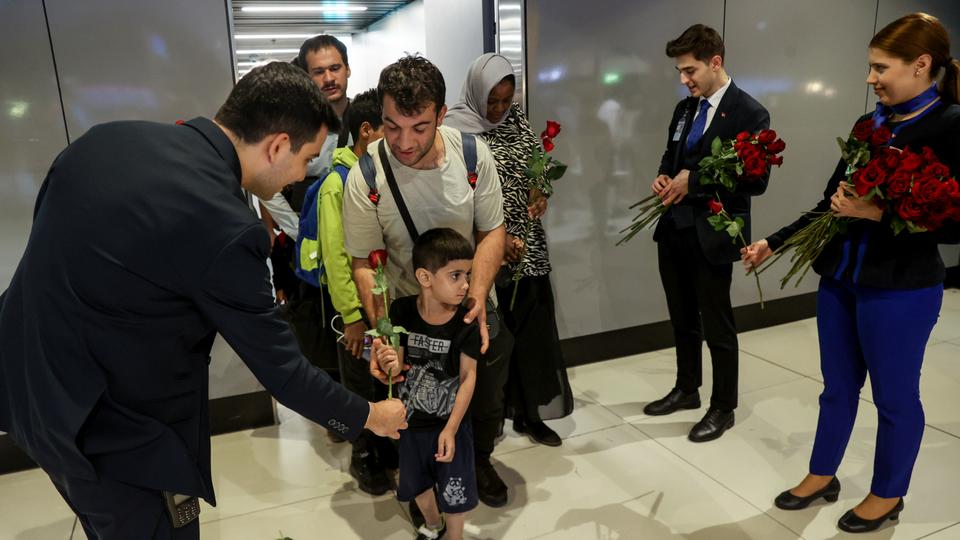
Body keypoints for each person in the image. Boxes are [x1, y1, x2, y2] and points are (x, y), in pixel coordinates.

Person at [0, 61, 407, 540]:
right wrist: (371, 416)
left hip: (25, 386)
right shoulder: (226, 227)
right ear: (277, 145)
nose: (300, 176)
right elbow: (284, 374)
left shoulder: (104, 139)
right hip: (109, 431)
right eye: (306, 158)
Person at [742, 12, 960, 533]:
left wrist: (881, 213)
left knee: (894, 396)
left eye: (880, 67)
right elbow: (832, 202)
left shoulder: (952, 126)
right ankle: (823, 473)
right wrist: (775, 241)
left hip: (901, 289)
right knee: (836, 387)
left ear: (921, 65)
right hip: (841, 279)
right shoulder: (871, 125)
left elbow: (953, 225)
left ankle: (889, 493)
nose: (870, 78)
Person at [342, 55, 514, 508]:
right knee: (418, 402)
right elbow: (364, 261)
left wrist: (476, 294)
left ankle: (479, 460)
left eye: (418, 127)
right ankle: (421, 481)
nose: (402, 141)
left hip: (470, 300)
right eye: (391, 126)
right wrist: (384, 335)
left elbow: (492, 230)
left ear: (441, 115)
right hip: (407, 311)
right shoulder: (366, 175)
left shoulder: (473, 156)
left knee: (485, 392)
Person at [643, 24, 771, 443]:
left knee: (717, 323)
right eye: (681, 71)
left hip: (713, 233)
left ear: (715, 62)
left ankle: (723, 406)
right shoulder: (685, 109)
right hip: (674, 228)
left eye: (690, 70)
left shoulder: (751, 114)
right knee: (681, 317)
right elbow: (671, 155)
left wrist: (692, 183)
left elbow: (756, 181)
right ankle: (687, 389)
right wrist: (664, 177)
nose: (684, 79)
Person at [444, 53, 574, 447]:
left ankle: (530, 414)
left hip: (528, 249)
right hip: (485, 250)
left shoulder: (516, 119)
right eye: (492, 101)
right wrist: (498, 243)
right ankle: (490, 417)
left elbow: (536, 166)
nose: (499, 109)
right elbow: (455, 199)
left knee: (532, 334)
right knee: (493, 339)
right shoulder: (455, 131)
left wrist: (540, 196)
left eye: (505, 99)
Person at [373, 228, 480, 540]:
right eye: (456, 275)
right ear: (425, 277)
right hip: (411, 424)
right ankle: (433, 525)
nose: (466, 285)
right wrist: (389, 364)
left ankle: (455, 535)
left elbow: (468, 377)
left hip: (451, 423)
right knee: (417, 484)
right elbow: (397, 368)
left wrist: (451, 428)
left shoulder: (465, 322)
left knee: (455, 486)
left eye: (467, 275)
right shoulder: (402, 311)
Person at [314, 88, 395, 494]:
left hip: (384, 306)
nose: (398, 137)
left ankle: (385, 446)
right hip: (357, 315)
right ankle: (363, 455)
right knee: (359, 384)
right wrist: (352, 317)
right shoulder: (337, 181)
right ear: (367, 130)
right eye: (389, 126)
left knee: (385, 378)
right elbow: (336, 256)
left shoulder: (384, 173)